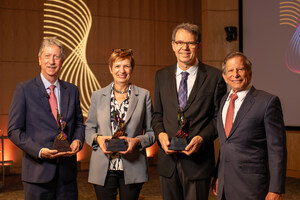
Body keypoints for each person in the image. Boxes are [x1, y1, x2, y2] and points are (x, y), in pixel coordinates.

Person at [152, 22, 227, 200]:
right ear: (173, 45)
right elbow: (158, 115)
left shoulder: (215, 77)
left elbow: (219, 118)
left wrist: (202, 138)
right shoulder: (161, 75)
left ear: (198, 46)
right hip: (168, 161)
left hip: (198, 162)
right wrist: (160, 134)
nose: (184, 48)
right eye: (179, 42)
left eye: (190, 43)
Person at [7, 37, 85, 200]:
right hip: (37, 175)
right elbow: (14, 130)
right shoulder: (24, 89)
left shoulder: (72, 90)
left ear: (62, 61)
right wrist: (40, 151)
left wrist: (78, 140)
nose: (52, 61)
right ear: (39, 59)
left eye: (56, 56)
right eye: (47, 56)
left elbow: (79, 123)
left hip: (67, 176)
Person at [212, 52, 287, 200]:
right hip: (225, 185)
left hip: (253, 187)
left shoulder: (267, 102)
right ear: (225, 76)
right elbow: (225, 144)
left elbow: (277, 150)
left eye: (240, 69)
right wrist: (219, 175)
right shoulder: (223, 101)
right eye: (230, 71)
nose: (236, 74)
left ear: (249, 72)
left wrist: (276, 189)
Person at [85, 48, 155, 200]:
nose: (121, 70)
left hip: (133, 165)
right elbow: (89, 129)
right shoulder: (98, 95)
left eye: (126, 66)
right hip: (103, 166)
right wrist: (98, 139)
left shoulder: (143, 95)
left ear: (132, 69)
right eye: (117, 66)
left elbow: (151, 132)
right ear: (110, 69)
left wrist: (136, 141)